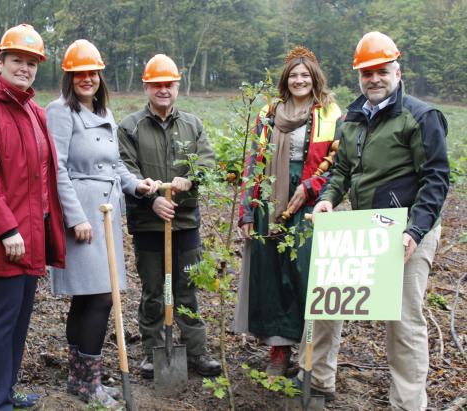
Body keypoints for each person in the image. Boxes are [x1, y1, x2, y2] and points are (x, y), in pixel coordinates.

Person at [303, 32, 449, 410]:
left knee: (402, 323)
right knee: (328, 301)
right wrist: (328, 200)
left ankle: (408, 404)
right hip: (362, 225)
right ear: (359, 76)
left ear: (397, 72)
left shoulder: (420, 117)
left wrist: (415, 232)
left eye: (382, 71)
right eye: (367, 73)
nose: (374, 79)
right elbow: (341, 171)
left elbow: (435, 179)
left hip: (405, 228)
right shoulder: (352, 118)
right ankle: (319, 380)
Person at [46, 39, 160, 408]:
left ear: (100, 76)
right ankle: (87, 383)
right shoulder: (61, 112)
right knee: (98, 297)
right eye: (80, 73)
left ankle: (81, 379)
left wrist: (136, 185)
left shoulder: (103, 111)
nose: (88, 78)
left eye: (93, 72)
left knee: (90, 295)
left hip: (107, 212)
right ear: (69, 76)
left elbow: (114, 167)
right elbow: (57, 168)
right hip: (82, 213)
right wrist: (75, 217)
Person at [0, 24, 65, 411]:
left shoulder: (33, 111)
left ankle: (6, 390)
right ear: (0, 62)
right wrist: (7, 228)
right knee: (2, 319)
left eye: (31, 62)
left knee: (19, 320)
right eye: (17, 60)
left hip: (32, 235)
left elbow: (42, 176)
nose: (25, 68)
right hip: (3, 237)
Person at [233, 47, 342, 376]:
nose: (299, 80)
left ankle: (310, 355)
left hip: (311, 203)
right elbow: (255, 162)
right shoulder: (269, 112)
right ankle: (279, 351)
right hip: (271, 199)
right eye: (293, 75)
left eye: (305, 75)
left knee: (306, 276)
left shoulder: (330, 113)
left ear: (314, 79)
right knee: (272, 275)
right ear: (285, 80)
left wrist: (310, 186)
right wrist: (247, 211)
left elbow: (341, 164)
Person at [118, 54, 221, 379]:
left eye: (169, 84)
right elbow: (125, 170)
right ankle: (153, 352)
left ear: (178, 86)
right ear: (147, 86)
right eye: (157, 84)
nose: (163, 90)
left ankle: (196, 351)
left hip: (185, 223)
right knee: (154, 290)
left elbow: (207, 162)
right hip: (149, 226)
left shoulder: (193, 124)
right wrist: (152, 202)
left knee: (187, 288)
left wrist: (190, 178)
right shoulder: (130, 127)